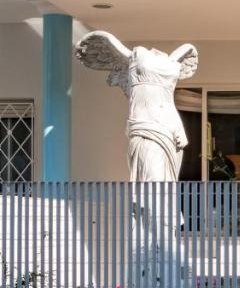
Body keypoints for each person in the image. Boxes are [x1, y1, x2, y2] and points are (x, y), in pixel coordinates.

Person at [75, 31, 198, 182]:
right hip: (146, 126)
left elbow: (167, 99)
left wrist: (178, 127)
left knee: (167, 186)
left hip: (170, 127)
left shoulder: (173, 60)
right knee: (152, 182)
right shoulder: (136, 56)